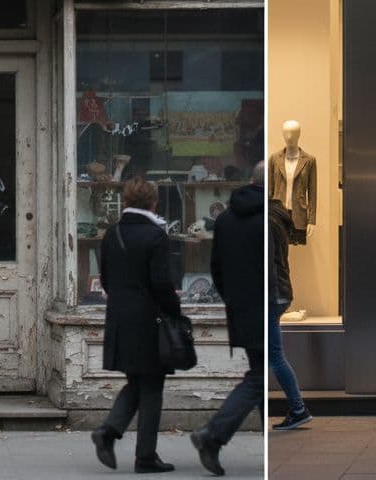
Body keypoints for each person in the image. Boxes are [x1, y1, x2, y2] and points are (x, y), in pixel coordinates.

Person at [91, 177, 181, 473]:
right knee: (152, 385)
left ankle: (108, 432)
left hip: (119, 317)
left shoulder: (112, 233)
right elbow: (161, 283)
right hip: (149, 320)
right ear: (153, 202)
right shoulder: (156, 235)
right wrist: (174, 311)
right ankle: (145, 456)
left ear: (126, 202)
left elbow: (105, 278)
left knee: (136, 381)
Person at [191, 162, 266, 476]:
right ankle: (213, 435)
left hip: (240, 308)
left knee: (260, 372)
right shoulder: (266, 219)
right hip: (265, 307)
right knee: (260, 378)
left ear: (251, 180)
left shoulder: (224, 220)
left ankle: (268, 450)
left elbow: (216, 269)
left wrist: (232, 299)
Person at [268, 198, 313, 431]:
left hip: (272, 295)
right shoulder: (277, 217)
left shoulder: (267, 221)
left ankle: (298, 409)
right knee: (271, 355)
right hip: (278, 293)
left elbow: (267, 265)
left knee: (273, 356)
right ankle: (297, 409)